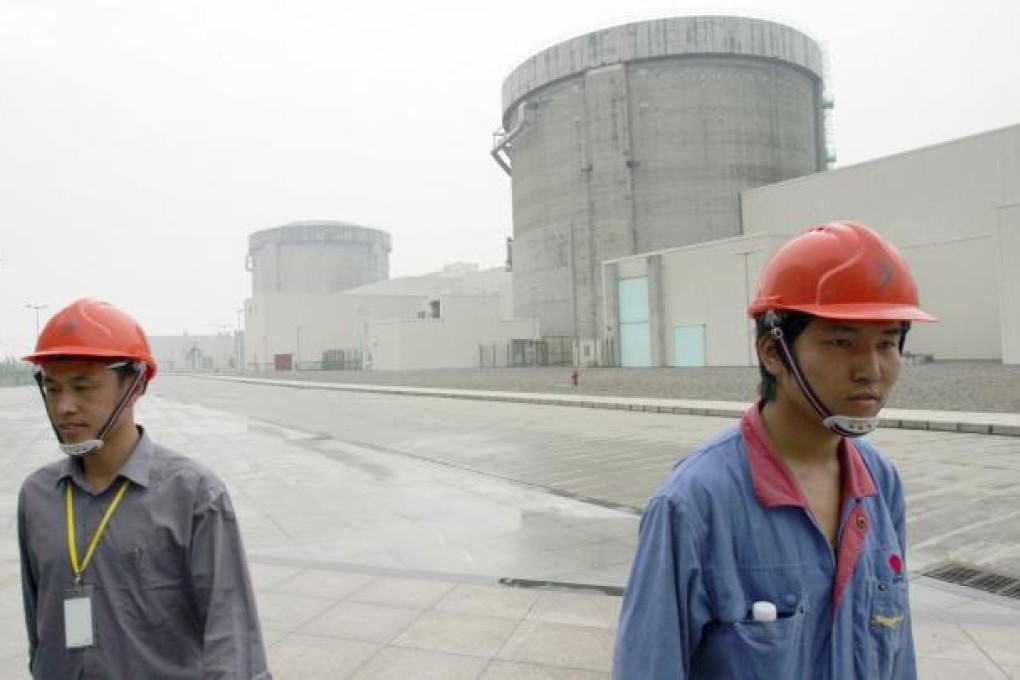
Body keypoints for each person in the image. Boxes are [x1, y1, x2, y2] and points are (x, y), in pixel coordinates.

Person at [613, 221, 935, 679]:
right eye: (842, 342)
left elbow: (897, 657)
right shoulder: (694, 503)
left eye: (887, 343)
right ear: (772, 352)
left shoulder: (880, 483)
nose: (871, 369)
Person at [17, 298, 272, 679]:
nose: (64, 406)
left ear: (136, 386)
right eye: (53, 389)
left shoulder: (193, 495)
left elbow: (233, 643)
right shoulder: (38, 496)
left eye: (83, 387)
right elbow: (38, 629)